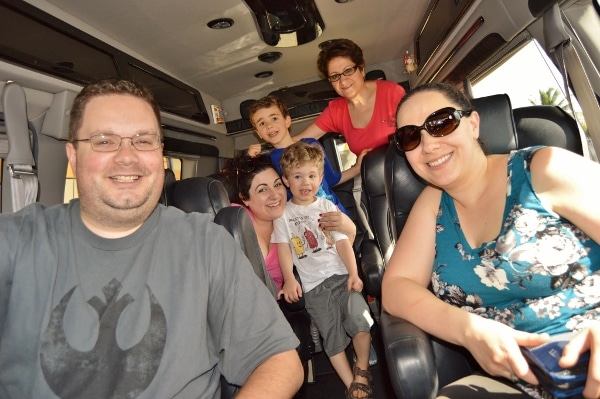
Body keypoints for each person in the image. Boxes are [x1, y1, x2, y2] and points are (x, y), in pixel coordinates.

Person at [0, 78, 303, 399]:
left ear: (160, 153)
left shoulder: (206, 244)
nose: (127, 156)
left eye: (144, 141)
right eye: (104, 141)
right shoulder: (20, 241)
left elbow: (279, 359)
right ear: (73, 155)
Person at [381, 82, 600, 399]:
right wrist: (468, 330)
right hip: (519, 382)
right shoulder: (432, 204)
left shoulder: (544, 169)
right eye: (411, 136)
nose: (428, 145)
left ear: (472, 124)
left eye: (441, 122)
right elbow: (396, 286)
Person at [273, 141, 375, 399]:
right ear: (286, 181)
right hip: (314, 287)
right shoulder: (283, 215)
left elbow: (342, 243)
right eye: (297, 176)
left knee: (359, 317)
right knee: (332, 337)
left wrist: (353, 273)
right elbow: (284, 249)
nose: (305, 182)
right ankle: (351, 383)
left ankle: (362, 368)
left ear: (320, 178)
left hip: (341, 276)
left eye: (311, 176)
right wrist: (288, 280)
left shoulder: (327, 207)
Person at [247, 95, 368, 217]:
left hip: (334, 214)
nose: (269, 125)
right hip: (301, 223)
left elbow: (331, 180)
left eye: (274, 118)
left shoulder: (311, 144)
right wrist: (248, 161)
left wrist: (357, 168)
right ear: (258, 133)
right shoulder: (267, 162)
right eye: (262, 123)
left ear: (287, 121)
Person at [292, 38, 406, 155]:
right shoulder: (335, 112)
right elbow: (299, 141)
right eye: (335, 76)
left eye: (348, 70)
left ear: (361, 69)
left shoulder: (392, 92)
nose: (343, 81)